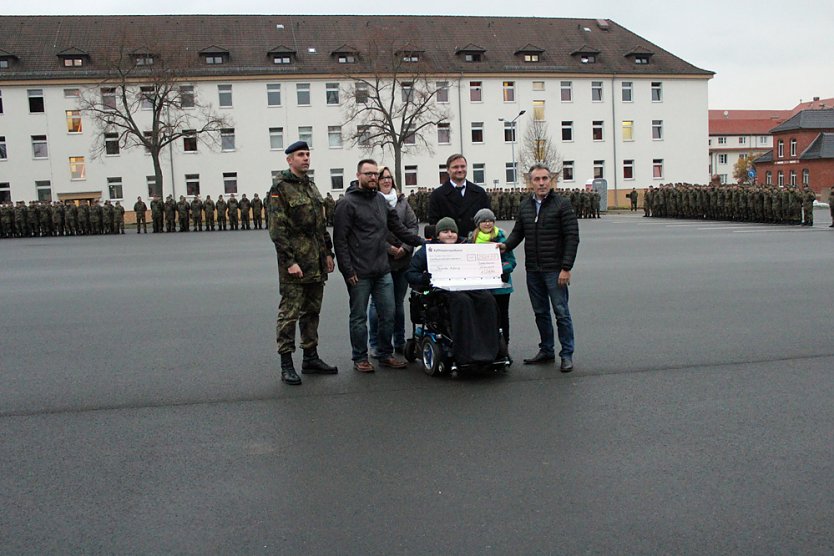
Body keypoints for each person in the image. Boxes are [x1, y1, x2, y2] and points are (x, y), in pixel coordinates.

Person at [333, 159, 424, 373]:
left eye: (375, 173)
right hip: (359, 272)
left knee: (388, 313)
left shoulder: (381, 201)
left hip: (383, 269)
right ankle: (360, 358)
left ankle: (385, 354)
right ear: (358, 175)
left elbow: (399, 228)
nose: (373, 177)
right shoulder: (347, 203)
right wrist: (347, 271)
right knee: (359, 317)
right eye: (368, 174)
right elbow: (340, 240)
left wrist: (423, 243)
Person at [269, 140, 338, 385]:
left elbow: (320, 225)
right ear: (289, 160)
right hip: (295, 264)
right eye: (300, 155)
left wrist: (328, 253)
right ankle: (286, 363)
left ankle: (310, 357)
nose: (305, 158)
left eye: (307, 154)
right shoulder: (281, 187)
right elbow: (278, 231)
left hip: (315, 261)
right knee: (289, 313)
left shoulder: (311, 186)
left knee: (312, 312)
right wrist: (289, 262)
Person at [501, 164, 579, 372]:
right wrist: (505, 246)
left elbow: (572, 237)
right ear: (531, 182)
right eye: (537, 179)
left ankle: (567, 354)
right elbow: (518, 232)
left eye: (545, 178)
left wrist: (566, 267)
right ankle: (546, 350)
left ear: (550, 180)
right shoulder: (525, 205)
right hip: (533, 270)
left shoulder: (562, 204)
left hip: (555, 270)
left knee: (561, 312)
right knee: (540, 312)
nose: (542, 183)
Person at [368, 166, 419, 357]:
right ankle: (375, 343)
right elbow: (370, 232)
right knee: (377, 306)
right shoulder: (372, 202)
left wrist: (405, 248)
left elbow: (413, 226)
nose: (387, 181)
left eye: (389, 178)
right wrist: (389, 249)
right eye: (383, 178)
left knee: (398, 305)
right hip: (382, 261)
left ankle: (399, 342)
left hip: (403, 261)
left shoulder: (403, 202)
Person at [468, 208, 516, 350]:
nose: (487, 224)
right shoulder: (472, 239)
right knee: (482, 317)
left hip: (501, 286)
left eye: (490, 221)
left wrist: (497, 268)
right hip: (481, 286)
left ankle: (504, 346)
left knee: (501, 317)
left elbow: (511, 262)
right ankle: (485, 345)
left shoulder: (502, 239)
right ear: (478, 223)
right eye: (484, 221)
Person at [428, 153, 491, 239]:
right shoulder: (437, 195)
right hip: (449, 244)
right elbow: (434, 223)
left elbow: (488, 219)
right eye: (455, 167)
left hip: (475, 243)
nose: (460, 170)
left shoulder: (479, 192)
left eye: (463, 166)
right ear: (448, 170)